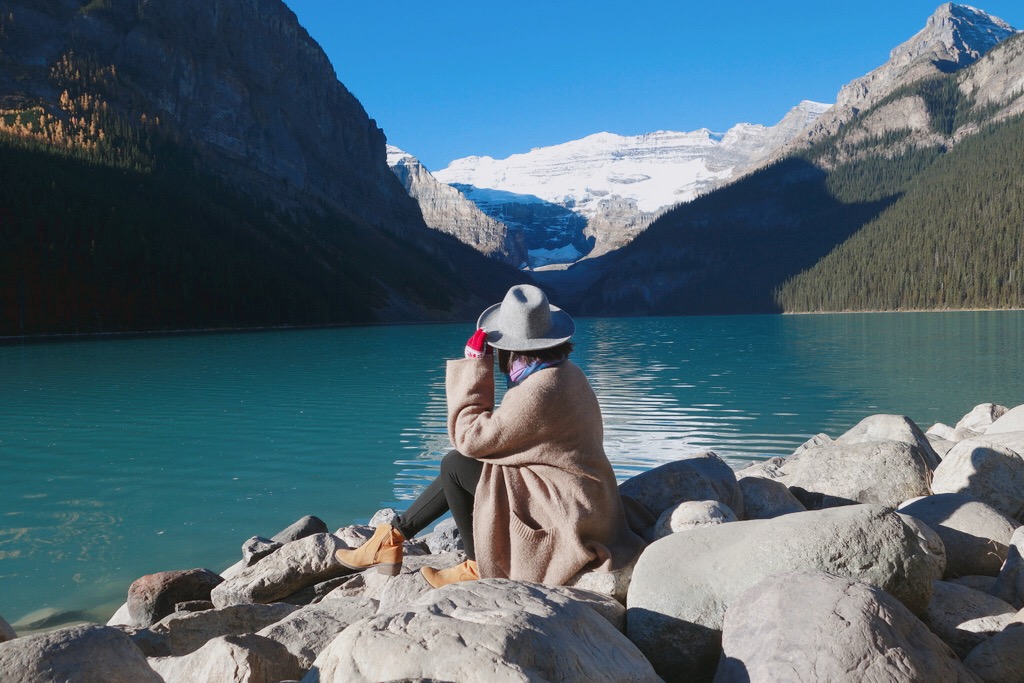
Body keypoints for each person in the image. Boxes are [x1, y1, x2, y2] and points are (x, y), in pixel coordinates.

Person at [336, 284, 645, 588]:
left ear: (509, 346)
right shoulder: (567, 373)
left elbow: (469, 438)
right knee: (469, 465)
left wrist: (475, 368)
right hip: (588, 501)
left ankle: (474, 565)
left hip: (567, 513)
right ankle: (391, 538)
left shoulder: (537, 390)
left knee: (455, 465)